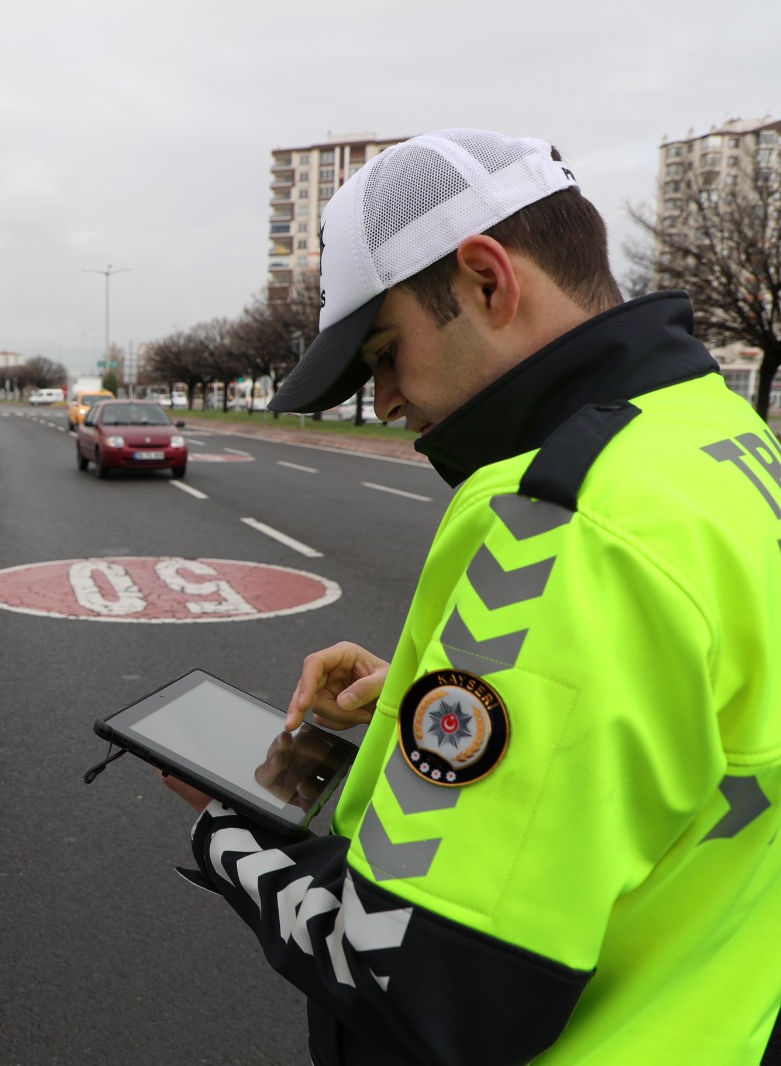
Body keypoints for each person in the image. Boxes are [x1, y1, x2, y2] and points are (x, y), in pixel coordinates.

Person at [161, 129, 781, 1065]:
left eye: (383, 355)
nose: (389, 404)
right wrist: (425, 707)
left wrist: (224, 837)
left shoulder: (560, 516)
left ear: (488, 280)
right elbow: (678, 757)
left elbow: (411, 984)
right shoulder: (725, 441)